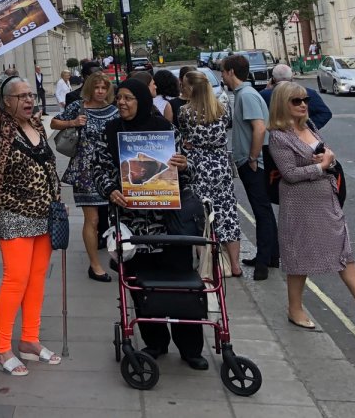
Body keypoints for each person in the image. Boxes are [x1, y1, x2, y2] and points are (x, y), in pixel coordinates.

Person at [266, 81, 355, 330]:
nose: (303, 105)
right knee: (299, 257)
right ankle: (294, 309)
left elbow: (325, 154)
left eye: (305, 100)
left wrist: (329, 157)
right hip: (300, 205)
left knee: (344, 253)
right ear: (282, 105)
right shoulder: (278, 136)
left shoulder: (310, 126)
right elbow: (289, 173)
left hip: (326, 200)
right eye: (296, 101)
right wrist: (322, 165)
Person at [96, 78, 208, 370]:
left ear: (142, 100)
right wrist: (110, 189)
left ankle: (190, 347)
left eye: (128, 98)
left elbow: (188, 173)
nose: (121, 103)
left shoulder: (166, 130)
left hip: (169, 223)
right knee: (141, 284)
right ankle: (155, 341)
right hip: (132, 222)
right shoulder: (110, 131)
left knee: (181, 282)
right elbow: (97, 168)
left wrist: (185, 165)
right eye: (118, 97)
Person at [0, 39, 63, 377]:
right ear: (7, 102)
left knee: (37, 279)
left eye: (31, 95)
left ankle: (29, 339)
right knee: (15, 279)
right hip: (12, 215)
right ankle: (1, 348)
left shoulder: (38, 126)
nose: (30, 100)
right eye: (23, 96)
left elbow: (48, 167)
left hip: (44, 215)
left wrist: (56, 197)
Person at [174, 71, 242, 276]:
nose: (182, 88)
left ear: (191, 88)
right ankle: (235, 266)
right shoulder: (221, 109)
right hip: (221, 166)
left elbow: (186, 138)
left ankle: (208, 266)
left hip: (198, 166)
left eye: (184, 85)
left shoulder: (185, 112)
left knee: (202, 215)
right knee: (228, 213)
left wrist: (189, 144)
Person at [52, 72, 117, 281]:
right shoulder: (78, 107)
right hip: (85, 171)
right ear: (90, 88)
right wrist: (72, 123)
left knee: (116, 217)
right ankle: (95, 265)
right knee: (93, 219)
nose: (100, 92)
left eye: (104, 88)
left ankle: (118, 256)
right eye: (97, 88)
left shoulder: (114, 111)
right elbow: (54, 123)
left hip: (110, 170)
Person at [221, 54, 278, 279]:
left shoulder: (246, 95)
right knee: (262, 210)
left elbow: (259, 128)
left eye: (223, 71)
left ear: (231, 72)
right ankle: (271, 255)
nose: (222, 76)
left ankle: (263, 261)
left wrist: (253, 157)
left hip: (254, 163)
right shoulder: (244, 94)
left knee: (261, 211)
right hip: (250, 161)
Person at [262, 64, 332, 130]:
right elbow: (325, 113)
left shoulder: (264, 95)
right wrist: (305, 127)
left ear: (273, 79)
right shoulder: (308, 93)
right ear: (292, 77)